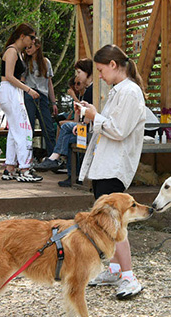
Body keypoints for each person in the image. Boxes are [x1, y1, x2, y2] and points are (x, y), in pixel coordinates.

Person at [78, 45, 148, 299]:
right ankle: (117, 269)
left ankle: (130, 277)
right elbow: (109, 126)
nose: (99, 75)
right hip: (105, 164)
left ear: (113, 65)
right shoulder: (120, 92)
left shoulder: (130, 92)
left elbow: (119, 131)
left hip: (115, 166)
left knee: (115, 223)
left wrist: (95, 116)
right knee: (107, 222)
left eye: (100, 70)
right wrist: (92, 114)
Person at [34, 58, 94, 179]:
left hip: (92, 131)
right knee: (67, 136)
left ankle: (55, 158)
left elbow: (86, 118)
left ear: (87, 72)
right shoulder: (87, 91)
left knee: (66, 127)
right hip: (86, 129)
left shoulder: (91, 91)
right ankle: (67, 171)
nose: (77, 78)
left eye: (79, 73)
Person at [0, 24, 42, 182]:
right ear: (22, 36)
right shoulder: (11, 51)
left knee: (15, 131)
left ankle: (10, 168)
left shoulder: (19, 53)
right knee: (25, 130)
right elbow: (9, 76)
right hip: (10, 91)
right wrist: (28, 90)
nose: (33, 40)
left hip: (13, 92)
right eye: (31, 37)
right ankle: (25, 169)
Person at [23, 37, 57, 159]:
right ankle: (26, 158)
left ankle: (53, 157)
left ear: (37, 46)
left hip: (42, 97)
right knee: (29, 127)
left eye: (30, 47)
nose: (27, 49)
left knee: (48, 127)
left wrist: (53, 102)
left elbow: (49, 83)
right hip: (29, 94)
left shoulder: (45, 62)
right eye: (26, 47)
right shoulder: (24, 62)